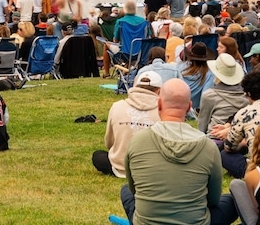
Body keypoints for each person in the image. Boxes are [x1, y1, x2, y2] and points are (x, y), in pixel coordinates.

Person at [119, 78, 225, 225]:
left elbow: (134, 189)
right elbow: (213, 199)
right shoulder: (209, 147)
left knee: (126, 191)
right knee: (229, 202)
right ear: (189, 107)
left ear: (159, 104)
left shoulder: (137, 141)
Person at [94, 72, 162, 176]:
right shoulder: (164, 111)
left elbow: (109, 142)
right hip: (151, 168)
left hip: (120, 166)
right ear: (159, 91)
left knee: (98, 156)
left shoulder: (117, 106)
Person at [198, 53, 248, 134]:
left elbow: (202, 125)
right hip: (239, 136)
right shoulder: (246, 94)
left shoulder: (210, 95)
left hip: (215, 137)